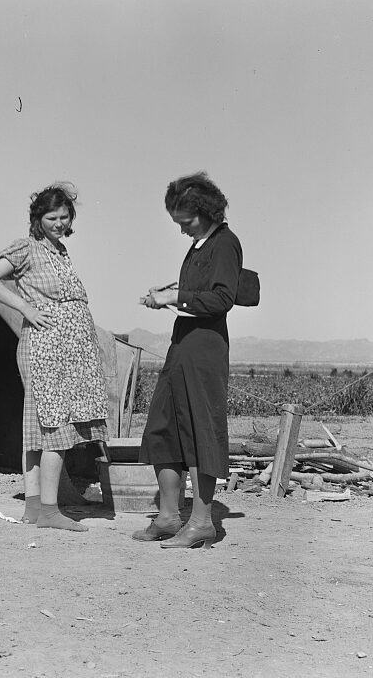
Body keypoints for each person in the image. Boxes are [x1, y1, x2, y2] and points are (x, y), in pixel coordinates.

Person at [0, 183, 108, 531]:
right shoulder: (27, 248)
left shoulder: (60, 252)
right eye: (52, 217)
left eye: (65, 217)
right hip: (45, 349)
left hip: (68, 354)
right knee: (55, 428)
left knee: (37, 430)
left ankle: (34, 507)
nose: (59, 223)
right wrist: (24, 307)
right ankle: (50, 510)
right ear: (38, 217)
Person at [134, 172, 242, 548]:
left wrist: (173, 299)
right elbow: (197, 292)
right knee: (163, 426)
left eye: (186, 222)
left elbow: (222, 298)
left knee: (200, 430)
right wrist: (170, 293)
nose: (181, 230)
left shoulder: (225, 244)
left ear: (206, 210)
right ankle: (167, 516)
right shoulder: (199, 245)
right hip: (182, 344)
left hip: (205, 349)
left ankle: (201, 522)